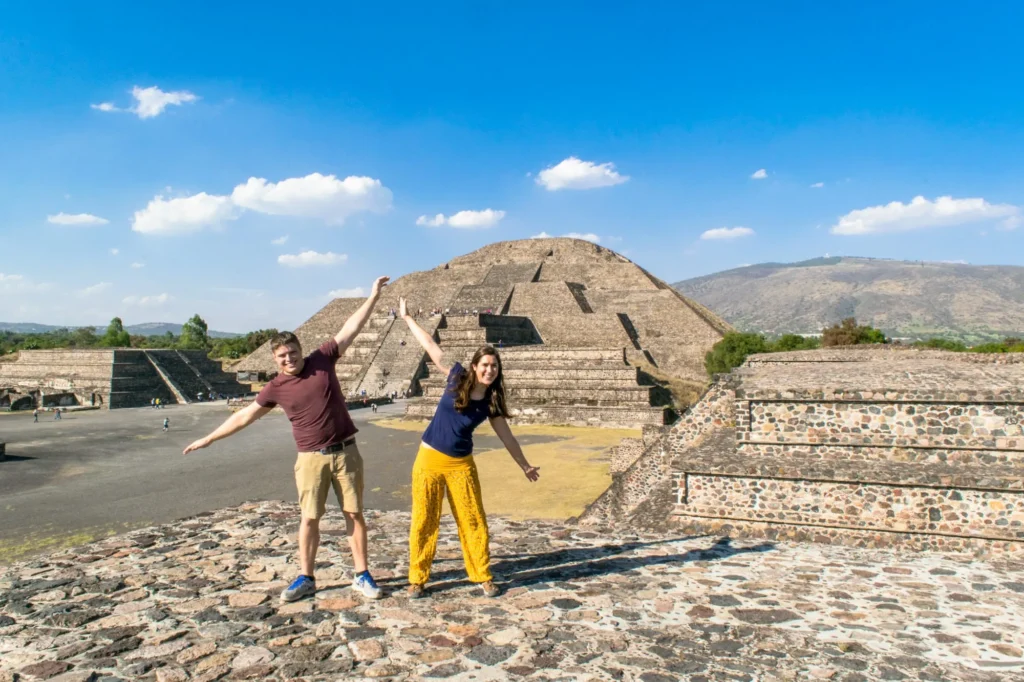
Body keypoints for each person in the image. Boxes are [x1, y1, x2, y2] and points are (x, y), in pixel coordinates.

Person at [183, 276, 390, 603]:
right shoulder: (275, 387)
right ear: (275, 359)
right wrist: (209, 438)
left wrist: (373, 296)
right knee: (309, 518)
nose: (288, 358)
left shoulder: (322, 359)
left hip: (346, 452)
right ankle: (306, 577)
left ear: (300, 350)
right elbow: (244, 416)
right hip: (310, 458)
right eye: (282, 356)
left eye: (292, 352)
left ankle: (362, 574)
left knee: (354, 514)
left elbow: (351, 328)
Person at [398, 296, 540, 599]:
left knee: (473, 520)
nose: (490, 370)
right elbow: (431, 348)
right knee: (424, 520)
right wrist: (408, 318)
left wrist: (525, 465)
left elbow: (508, 438)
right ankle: (417, 577)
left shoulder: (491, 402)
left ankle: (482, 574)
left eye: (494, 366)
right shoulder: (455, 377)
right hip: (428, 461)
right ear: (474, 367)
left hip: (461, 465)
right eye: (485, 365)